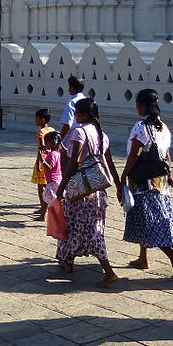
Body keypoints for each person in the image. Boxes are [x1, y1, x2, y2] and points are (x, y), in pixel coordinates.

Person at [55, 98, 121, 288]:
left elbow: (73, 163)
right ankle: (67, 261)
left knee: (80, 227)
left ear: (82, 115)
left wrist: (61, 187)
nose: (74, 116)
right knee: (83, 226)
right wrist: (118, 186)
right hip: (97, 190)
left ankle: (108, 271)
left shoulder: (79, 132)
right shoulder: (102, 135)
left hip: (80, 189)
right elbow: (109, 164)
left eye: (76, 113)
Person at [117, 88, 173, 278]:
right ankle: (143, 257)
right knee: (148, 218)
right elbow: (166, 155)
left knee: (149, 222)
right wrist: (169, 175)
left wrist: (123, 177)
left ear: (143, 105)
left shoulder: (141, 126)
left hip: (143, 181)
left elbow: (135, 153)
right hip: (160, 181)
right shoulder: (163, 126)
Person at [31, 108, 55, 221]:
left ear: (42, 119)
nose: (35, 120)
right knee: (48, 183)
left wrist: (40, 161)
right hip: (51, 159)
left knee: (41, 185)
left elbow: (42, 147)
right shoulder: (52, 129)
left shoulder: (41, 132)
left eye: (37, 118)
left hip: (42, 160)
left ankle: (42, 208)